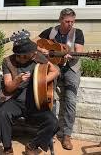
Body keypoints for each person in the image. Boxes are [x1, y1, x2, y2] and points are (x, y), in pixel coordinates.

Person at [0, 39, 59, 155]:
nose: (35, 53)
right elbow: (9, 88)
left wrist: (40, 81)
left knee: (53, 122)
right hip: (16, 101)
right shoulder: (8, 62)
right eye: (32, 52)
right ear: (21, 55)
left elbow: (55, 71)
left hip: (36, 102)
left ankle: (32, 146)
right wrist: (18, 80)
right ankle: (7, 149)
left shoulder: (37, 56)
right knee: (2, 113)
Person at [37, 8, 84, 150]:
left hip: (71, 69)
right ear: (60, 20)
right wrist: (43, 50)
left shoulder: (78, 33)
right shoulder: (51, 31)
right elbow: (33, 43)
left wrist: (72, 55)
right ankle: (50, 131)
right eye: (67, 21)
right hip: (53, 67)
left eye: (72, 22)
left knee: (70, 101)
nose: (70, 24)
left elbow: (79, 51)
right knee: (50, 98)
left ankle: (67, 135)